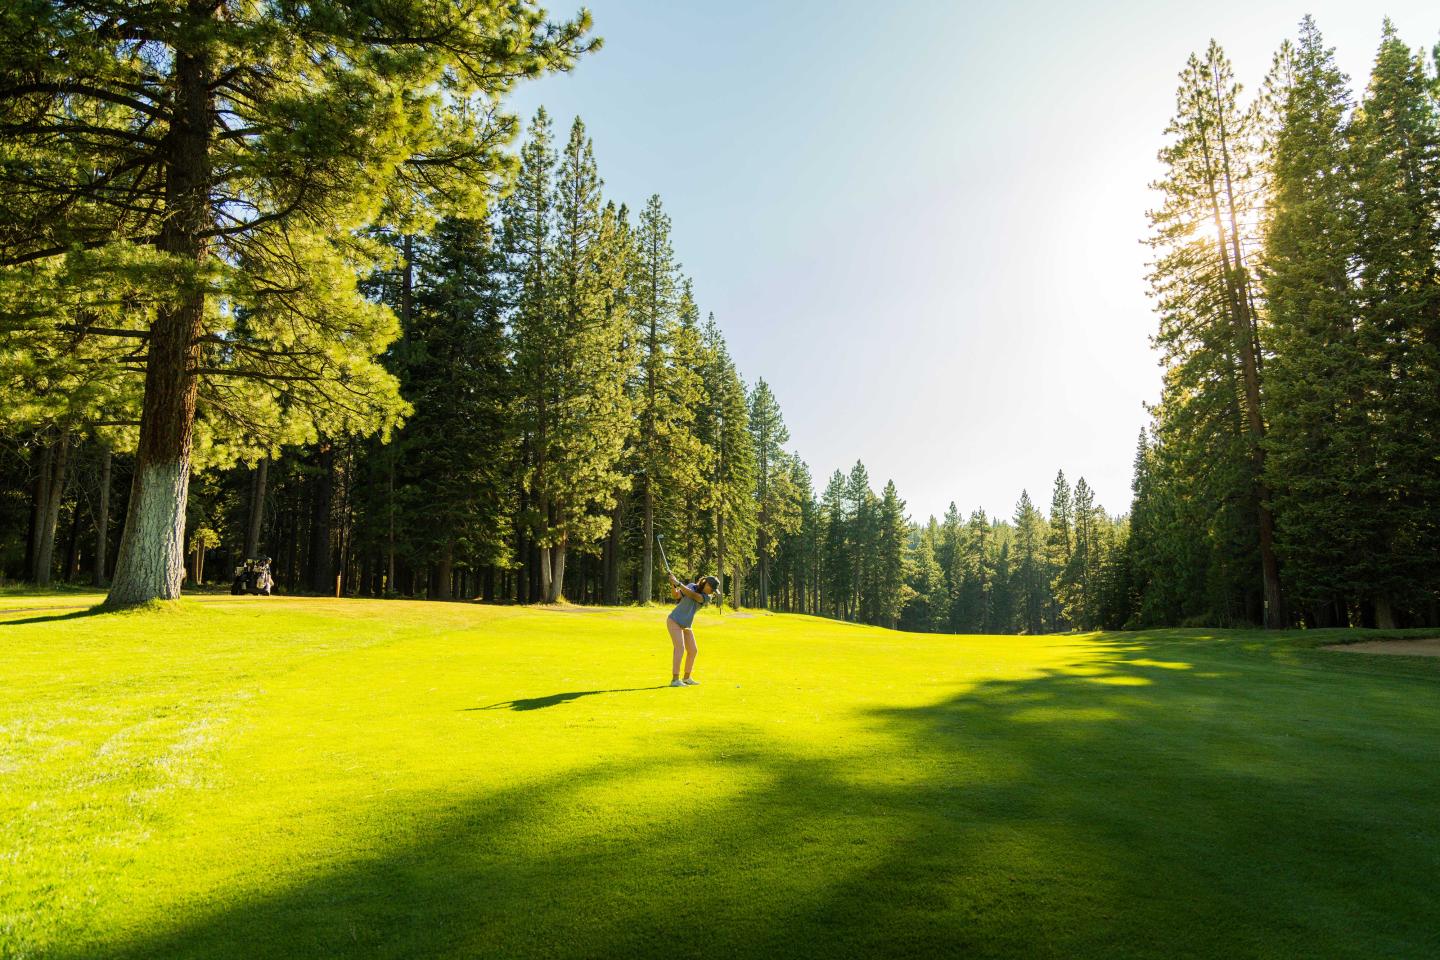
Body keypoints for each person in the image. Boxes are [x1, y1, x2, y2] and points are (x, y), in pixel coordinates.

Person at [666, 573, 718, 687]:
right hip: (674, 620)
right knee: (680, 648)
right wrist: (673, 584)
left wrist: (678, 583)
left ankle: (686, 678)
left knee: (693, 650)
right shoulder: (691, 586)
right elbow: (676, 596)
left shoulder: (706, 597)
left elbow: (694, 596)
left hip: (686, 625)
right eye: (712, 589)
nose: (713, 592)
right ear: (707, 585)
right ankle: (675, 680)